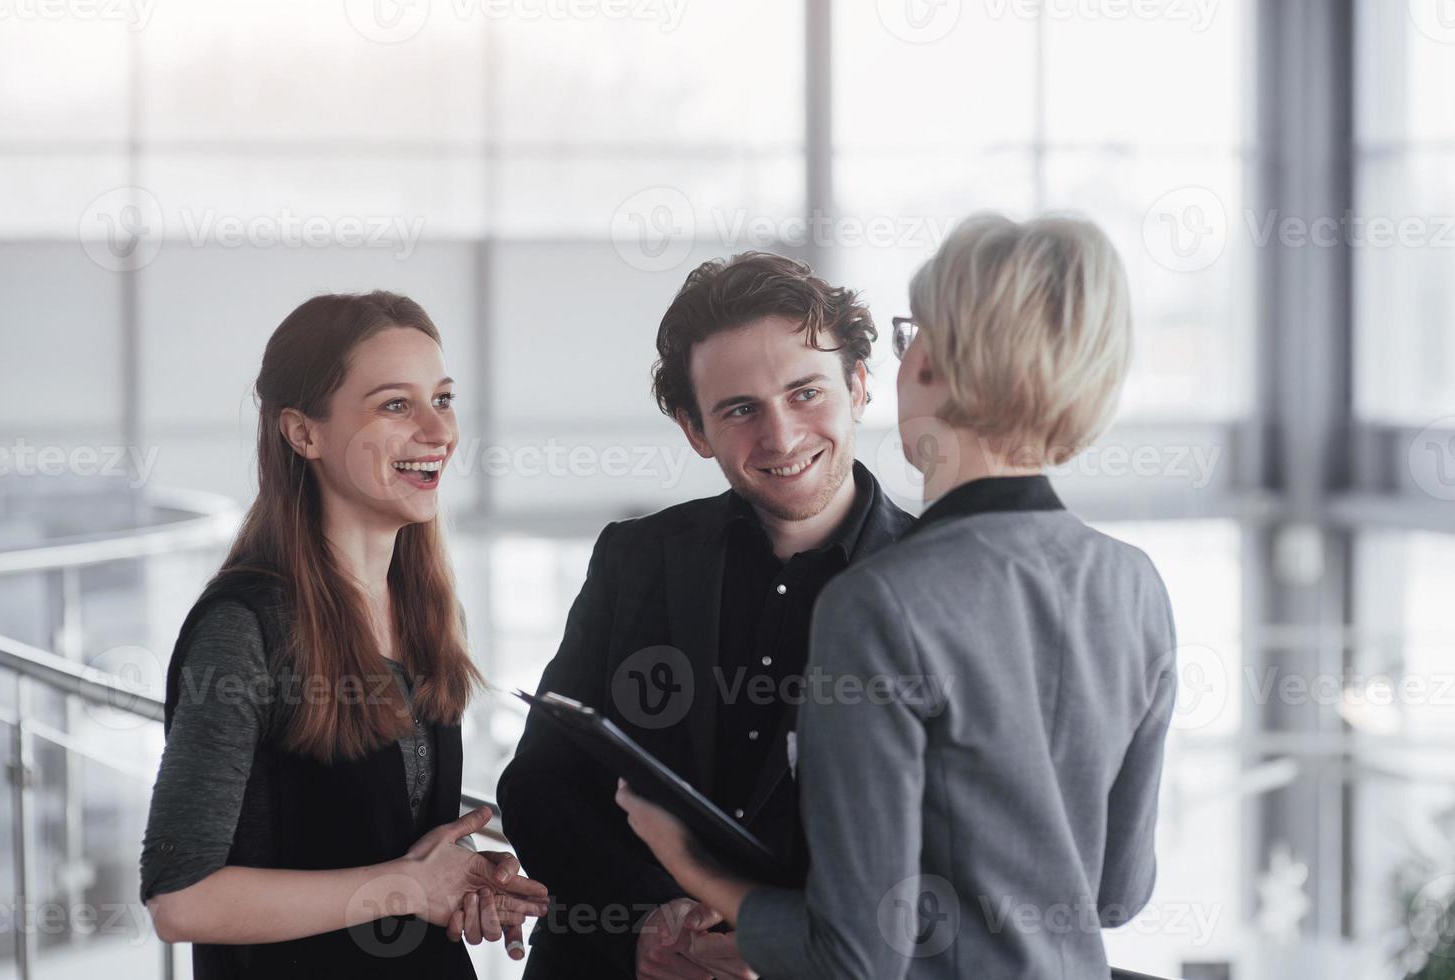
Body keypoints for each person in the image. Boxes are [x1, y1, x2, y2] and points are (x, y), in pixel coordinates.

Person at [618, 213, 1179, 979]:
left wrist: (693, 866)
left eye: (911, 332)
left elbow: (852, 957)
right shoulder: (1134, 584)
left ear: (933, 365)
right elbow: (1115, 893)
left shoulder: (880, 602)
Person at [497, 252, 915, 979]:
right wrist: (644, 922)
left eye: (806, 393)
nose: (781, 438)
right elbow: (540, 784)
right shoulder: (635, 559)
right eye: (740, 410)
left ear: (859, 387)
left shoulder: (941, 581)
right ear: (695, 430)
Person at [139, 291, 548, 978]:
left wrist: (454, 877)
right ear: (304, 434)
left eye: (442, 400)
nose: (439, 432)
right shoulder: (244, 629)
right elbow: (180, 898)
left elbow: (381, 848)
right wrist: (408, 887)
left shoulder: (422, 608)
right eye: (396, 405)